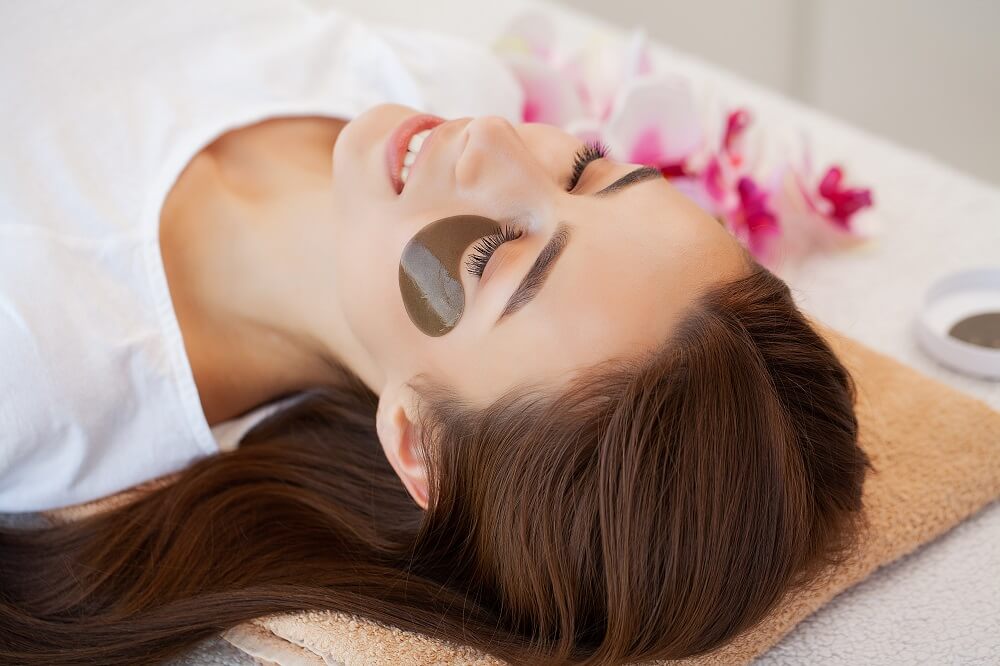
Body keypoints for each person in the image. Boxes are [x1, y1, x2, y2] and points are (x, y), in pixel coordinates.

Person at [0, 2, 874, 664]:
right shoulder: (431, 66)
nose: (493, 137)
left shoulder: (32, 365)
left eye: (493, 252)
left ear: (416, 444)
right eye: (588, 168)